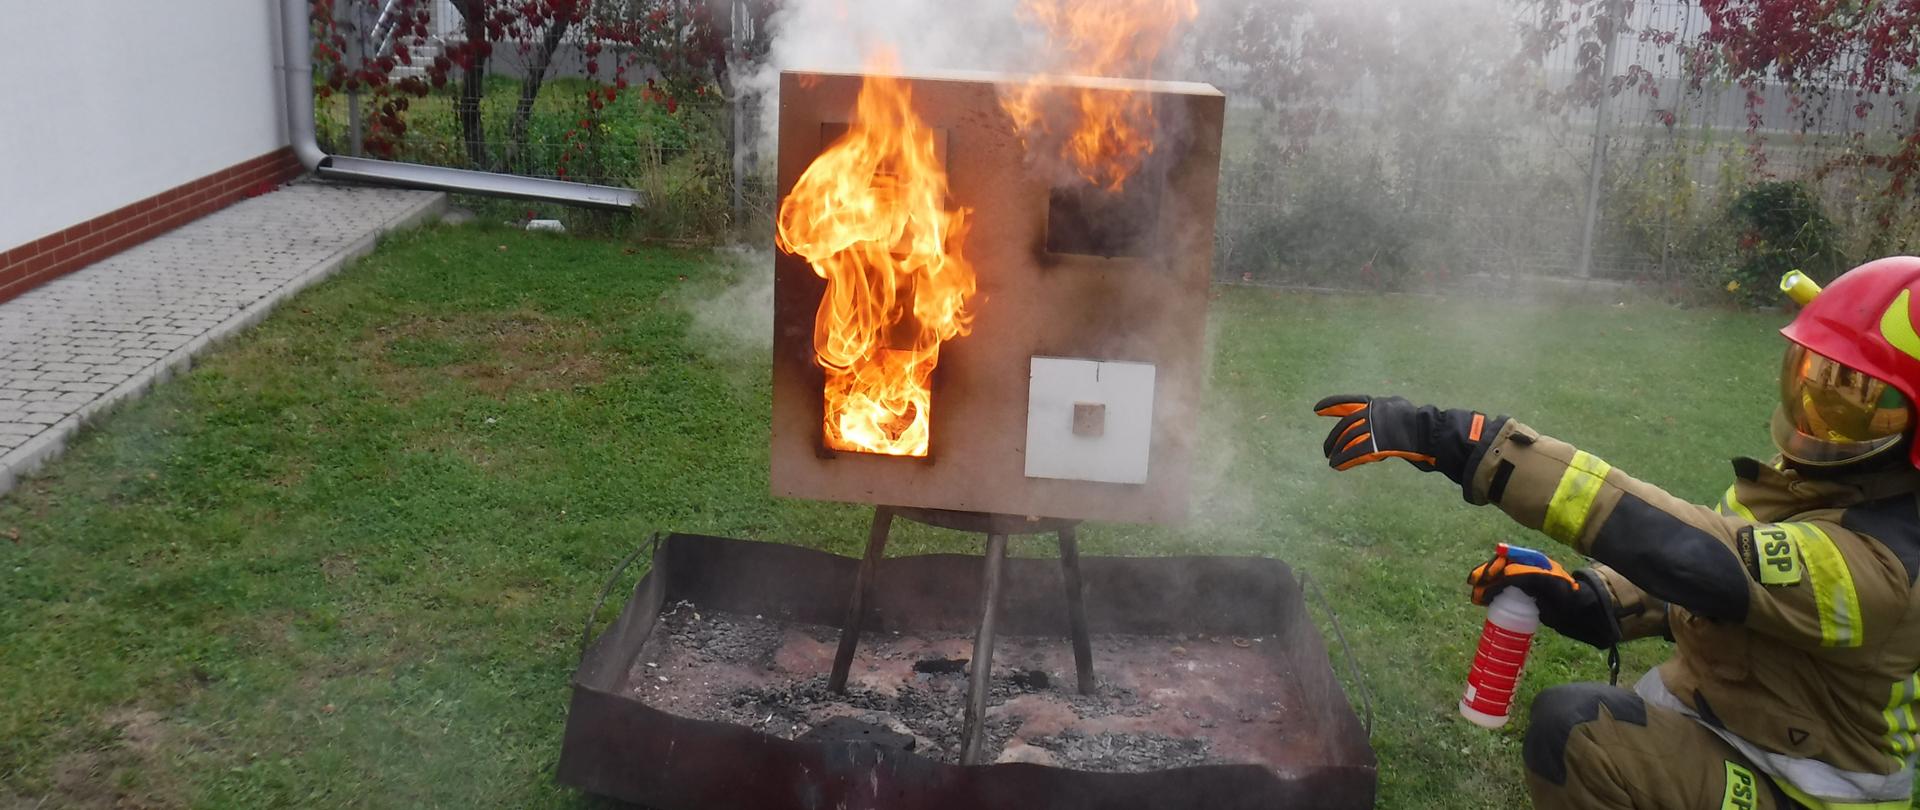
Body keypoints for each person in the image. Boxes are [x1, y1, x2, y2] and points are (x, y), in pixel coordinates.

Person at [1314, 256, 1920, 810]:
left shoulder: (1883, 564)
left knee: (1577, 732)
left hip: (1811, 788)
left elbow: (1697, 557)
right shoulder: (1816, 490)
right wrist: (1596, 598)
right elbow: (1723, 595)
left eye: (1862, 402)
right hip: (1741, 727)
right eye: (1812, 378)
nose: (1818, 410)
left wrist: (1471, 445)